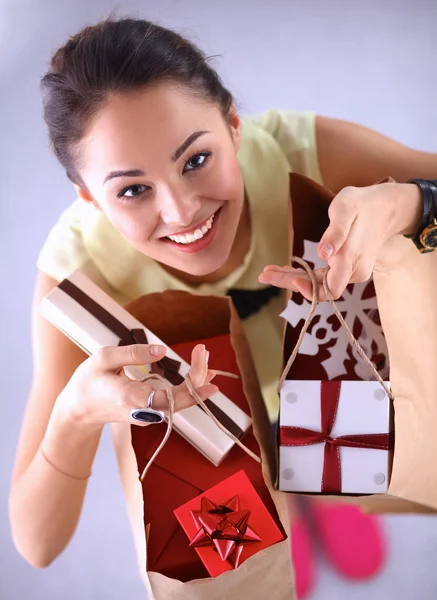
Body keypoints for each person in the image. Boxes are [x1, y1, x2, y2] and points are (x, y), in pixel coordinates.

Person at [8, 16, 436, 598]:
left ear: (233, 125)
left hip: (327, 391)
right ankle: (289, 505)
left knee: (339, 459)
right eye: (132, 190)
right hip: (208, 429)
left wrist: (407, 202)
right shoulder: (78, 272)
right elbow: (37, 542)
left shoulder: (298, 152)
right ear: (88, 197)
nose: (182, 212)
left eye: (195, 159)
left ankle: (321, 499)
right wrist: (77, 414)